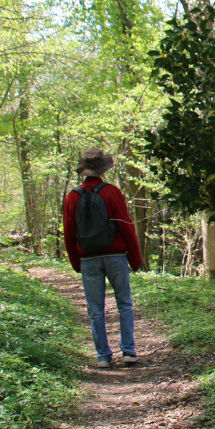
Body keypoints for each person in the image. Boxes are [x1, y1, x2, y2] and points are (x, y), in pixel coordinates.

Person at [62, 148, 144, 368]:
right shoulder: (111, 192)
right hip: (115, 255)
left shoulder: (72, 196)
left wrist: (75, 261)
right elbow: (125, 227)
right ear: (103, 169)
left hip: (88, 258)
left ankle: (103, 356)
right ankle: (128, 351)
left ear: (84, 171)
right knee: (124, 303)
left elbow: (69, 232)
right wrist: (135, 259)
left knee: (95, 309)